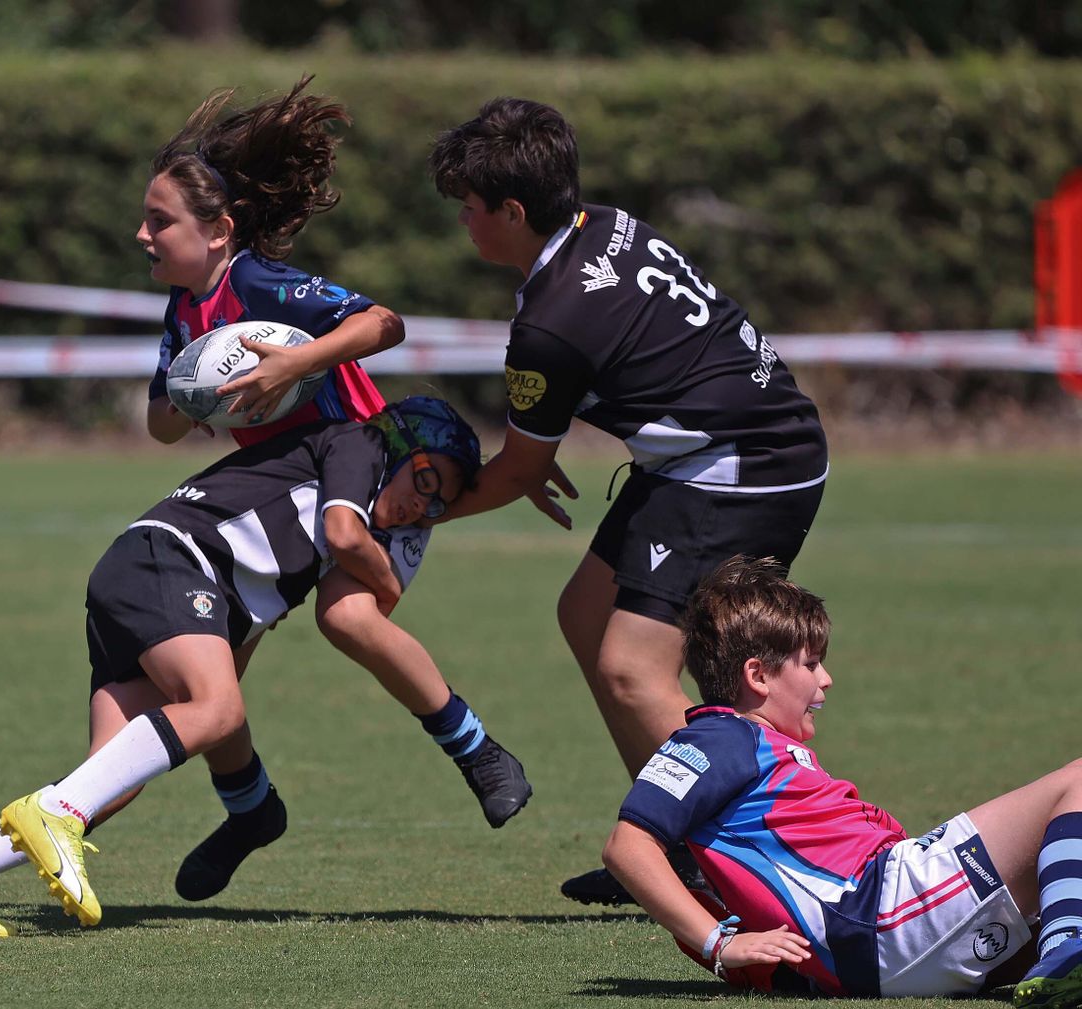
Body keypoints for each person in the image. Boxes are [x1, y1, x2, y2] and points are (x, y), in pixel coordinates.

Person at [0, 397, 531, 934]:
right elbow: (343, 536)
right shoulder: (358, 443)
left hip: (144, 580)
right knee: (209, 715)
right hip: (167, 562)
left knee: (109, 780)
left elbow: (243, 636)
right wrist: (386, 577)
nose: (425, 508)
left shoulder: (328, 517)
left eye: (440, 505)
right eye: (427, 483)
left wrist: (217, 727)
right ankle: (79, 816)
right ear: (402, 450)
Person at [427, 97, 829, 904]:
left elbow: (516, 470)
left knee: (631, 669)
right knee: (586, 613)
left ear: (513, 209)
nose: (463, 219)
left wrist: (400, 511)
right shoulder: (600, 223)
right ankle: (679, 843)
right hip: (718, 450)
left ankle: (789, 868)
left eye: (471, 206)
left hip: (740, 467)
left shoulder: (549, 326)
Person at [133, 78, 528, 899]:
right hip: (274, 485)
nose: (142, 233)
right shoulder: (183, 314)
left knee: (347, 612)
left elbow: (385, 324)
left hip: (358, 457)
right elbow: (160, 426)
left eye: (158, 219)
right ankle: (250, 809)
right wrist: (194, 390)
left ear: (218, 232)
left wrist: (295, 360)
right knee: (211, 682)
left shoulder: (265, 284)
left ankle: (478, 750)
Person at [603, 556, 1082, 1004]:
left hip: (879, 946)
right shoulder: (720, 738)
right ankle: (1066, 945)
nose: (825, 679)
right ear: (758, 676)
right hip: (882, 916)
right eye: (810, 664)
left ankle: (1056, 946)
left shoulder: (753, 747)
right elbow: (628, 847)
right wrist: (719, 944)